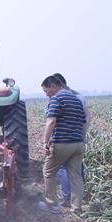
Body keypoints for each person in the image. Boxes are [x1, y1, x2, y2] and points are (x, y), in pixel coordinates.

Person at [39, 75, 86, 214]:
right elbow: (83, 123)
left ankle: (51, 204)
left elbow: (51, 122)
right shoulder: (77, 100)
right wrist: (82, 140)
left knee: (48, 171)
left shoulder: (56, 99)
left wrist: (45, 142)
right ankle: (76, 208)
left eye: (46, 91)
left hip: (62, 143)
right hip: (78, 144)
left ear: (53, 86)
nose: (47, 94)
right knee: (76, 176)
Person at [53, 73, 91, 208]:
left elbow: (53, 121)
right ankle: (78, 199)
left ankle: (66, 198)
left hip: (64, 139)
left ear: (60, 85)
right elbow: (87, 116)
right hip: (78, 138)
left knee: (63, 168)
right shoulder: (79, 97)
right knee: (77, 166)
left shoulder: (59, 98)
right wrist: (82, 133)